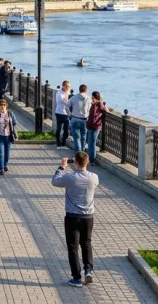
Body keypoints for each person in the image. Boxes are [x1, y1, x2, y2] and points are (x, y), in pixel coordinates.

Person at [52, 152, 99, 288]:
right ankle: (88, 270)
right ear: (87, 162)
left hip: (72, 216)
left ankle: (76, 278)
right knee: (87, 243)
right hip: (88, 217)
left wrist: (62, 167)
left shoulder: (70, 178)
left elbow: (55, 181)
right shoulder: (94, 177)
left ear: (76, 162)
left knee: (73, 248)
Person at [0, 99, 17, 175]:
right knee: (0, 153)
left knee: (7, 153)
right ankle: (1, 168)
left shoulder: (10, 114)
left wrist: (15, 135)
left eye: (4, 105)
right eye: (1, 105)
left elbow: (14, 124)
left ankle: (5, 164)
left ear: (6, 106)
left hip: (8, 136)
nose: (2, 106)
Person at [67, 84, 91, 153]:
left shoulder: (74, 97)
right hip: (85, 119)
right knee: (83, 137)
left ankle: (78, 154)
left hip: (75, 119)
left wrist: (70, 112)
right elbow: (90, 108)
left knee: (77, 138)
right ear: (86, 90)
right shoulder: (88, 98)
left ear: (79, 90)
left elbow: (68, 104)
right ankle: (82, 152)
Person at [86, 92, 106, 164]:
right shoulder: (93, 104)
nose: (92, 99)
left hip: (96, 126)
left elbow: (104, 110)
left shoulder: (100, 104)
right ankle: (89, 158)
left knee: (93, 143)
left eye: (93, 98)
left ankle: (92, 160)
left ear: (97, 98)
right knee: (89, 142)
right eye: (92, 98)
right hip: (90, 125)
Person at [54, 80, 72, 150]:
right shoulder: (60, 94)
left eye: (69, 87)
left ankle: (63, 144)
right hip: (59, 113)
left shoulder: (66, 92)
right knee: (59, 129)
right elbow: (66, 103)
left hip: (66, 113)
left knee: (66, 130)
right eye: (68, 86)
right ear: (64, 86)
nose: (69, 88)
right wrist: (67, 95)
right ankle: (58, 144)